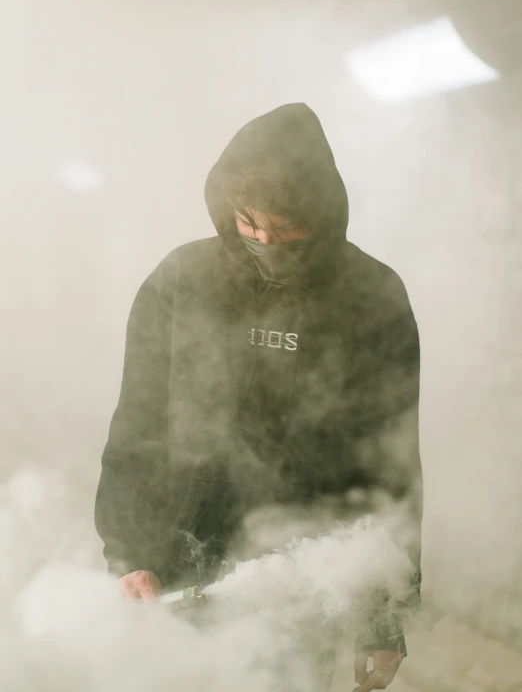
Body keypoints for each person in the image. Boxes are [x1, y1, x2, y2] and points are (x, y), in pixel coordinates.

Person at [95, 103, 423, 692]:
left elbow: (391, 467)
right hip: (173, 569)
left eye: (287, 228)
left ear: (323, 215)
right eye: (249, 222)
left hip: (304, 583)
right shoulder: (181, 280)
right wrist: (130, 553)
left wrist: (382, 614)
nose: (266, 240)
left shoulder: (372, 297)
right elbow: (136, 427)